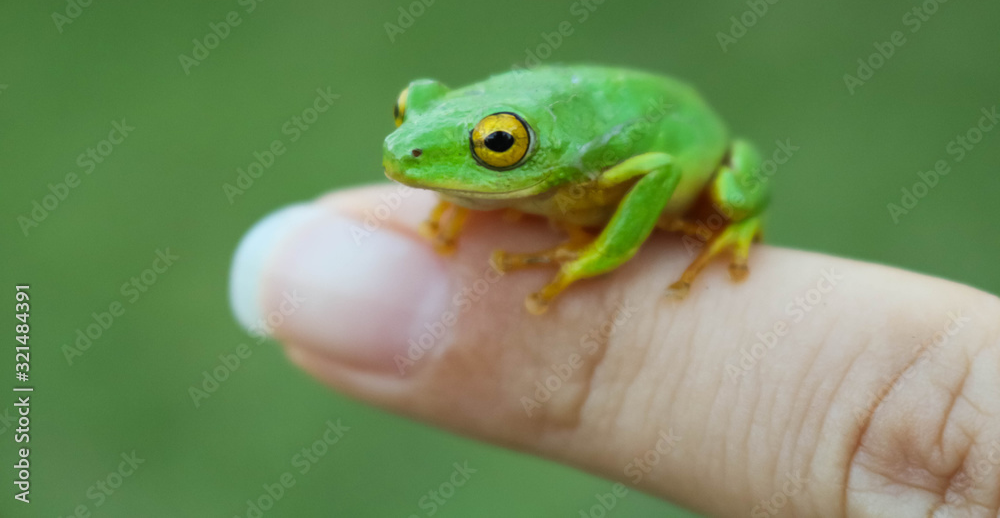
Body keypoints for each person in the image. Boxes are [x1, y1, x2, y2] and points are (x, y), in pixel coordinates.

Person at [229, 185, 1000, 517]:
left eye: (497, 144)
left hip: (688, 162)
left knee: (723, 182)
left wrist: (594, 257)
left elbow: (659, 169)